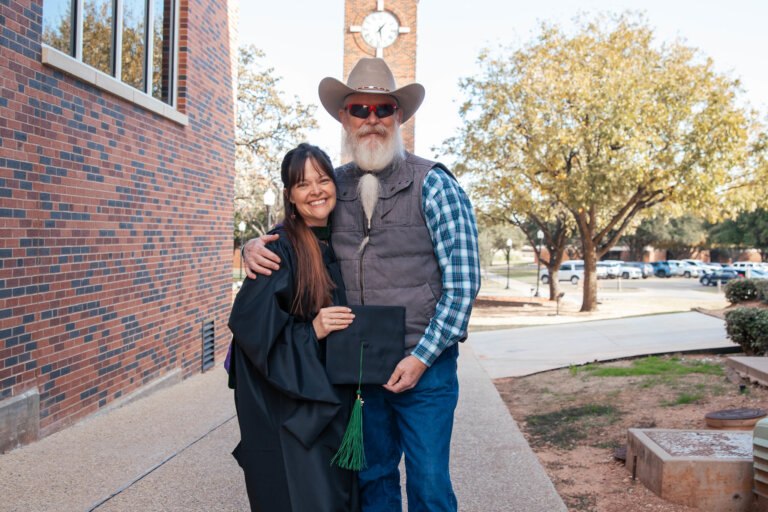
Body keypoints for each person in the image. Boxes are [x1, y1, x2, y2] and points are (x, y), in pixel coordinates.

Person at [243, 58, 481, 512]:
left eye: (382, 109)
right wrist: (253, 246)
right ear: (344, 117)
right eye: (360, 109)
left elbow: (464, 283)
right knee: (373, 483)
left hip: (424, 369)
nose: (372, 120)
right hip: (362, 370)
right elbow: (296, 229)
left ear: (399, 116)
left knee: (430, 485)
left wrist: (421, 358)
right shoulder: (335, 187)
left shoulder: (434, 184)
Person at [228, 143, 360, 512]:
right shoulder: (278, 248)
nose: (315, 190)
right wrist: (312, 330)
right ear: (289, 195)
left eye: (322, 179)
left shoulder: (344, 239)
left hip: (338, 398)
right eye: (303, 184)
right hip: (297, 413)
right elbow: (251, 333)